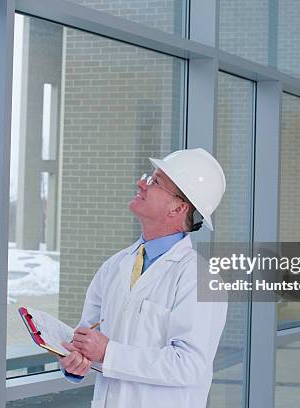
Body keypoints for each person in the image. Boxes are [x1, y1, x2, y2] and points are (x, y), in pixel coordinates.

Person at [58, 148, 228, 408]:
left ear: (178, 207)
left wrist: (108, 352)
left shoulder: (199, 277)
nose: (141, 183)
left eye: (155, 181)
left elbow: (188, 365)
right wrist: (76, 361)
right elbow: (87, 339)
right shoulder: (114, 266)